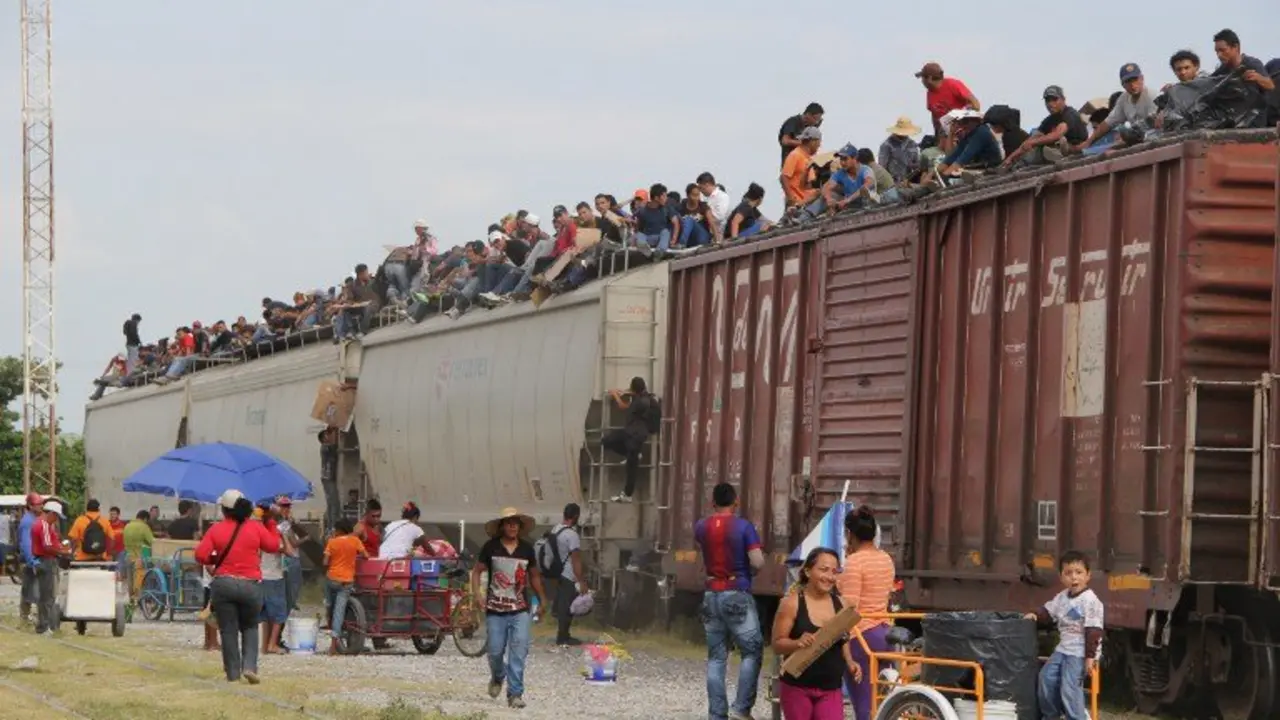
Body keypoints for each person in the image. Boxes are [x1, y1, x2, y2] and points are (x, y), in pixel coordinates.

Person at [194, 489, 282, 684]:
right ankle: (249, 667)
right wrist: (271, 522)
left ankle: (233, 674)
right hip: (251, 585)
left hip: (224, 584)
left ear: (224, 510)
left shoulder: (216, 529)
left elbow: (200, 555)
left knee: (228, 629)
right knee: (250, 626)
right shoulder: (256, 528)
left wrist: (214, 558)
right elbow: (273, 546)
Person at [696, 482, 765, 720]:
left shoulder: (701, 526)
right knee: (751, 652)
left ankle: (717, 714)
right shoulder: (744, 527)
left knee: (716, 657)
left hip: (710, 593)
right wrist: (749, 573)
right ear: (736, 501)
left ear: (712, 502)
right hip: (736, 592)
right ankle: (741, 709)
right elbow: (757, 562)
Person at [772, 547, 862, 720]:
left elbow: (843, 637)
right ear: (807, 571)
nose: (829, 577)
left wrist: (850, 662)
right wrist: (797, 642)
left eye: (835, 572)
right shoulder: (791, 603)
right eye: (823, 570)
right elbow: (777, 645)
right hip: (797, 687)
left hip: (831, 687)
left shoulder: (842, 604)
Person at [472, 507, 548, 710]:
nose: (512, 526)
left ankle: (515, 693)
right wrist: (478, 595)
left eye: (516, 523)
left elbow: (534, 576)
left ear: (520, 527)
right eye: (509, 522)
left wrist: (542, 599)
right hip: (495, 610)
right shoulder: (491, 548)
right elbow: (477, 572)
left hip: (520, 609)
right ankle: (498, 676)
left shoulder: (527, 549)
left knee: (519, 650)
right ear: (502, 526)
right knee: (495, 651)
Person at [1025, 550, 1104, 720]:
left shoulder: (1091, 601)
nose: (1074, 577)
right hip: (1063, 650)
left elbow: (1094, 631)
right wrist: (1035, 615)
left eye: (1079, 572)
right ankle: (1051, 716)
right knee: (1046, 679)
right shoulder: (1062, 598)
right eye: (1068, 573)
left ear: (1088, 575)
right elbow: (1048, 611)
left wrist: (1090, 657)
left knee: (1069, 688)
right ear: (1061, 577)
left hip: (1080, 653)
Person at [836, 506, 896, 720]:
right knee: (882, 703)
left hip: (861, 636)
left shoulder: (854, 562)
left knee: (864, 705)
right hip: (885, 634)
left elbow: (850, 607)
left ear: (850, 534)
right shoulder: (886, 558)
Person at [536, 502, 589, 647]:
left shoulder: (556, 529)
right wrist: (582, 581)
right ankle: (563, 637)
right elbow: (576, 560)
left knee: (563, 605)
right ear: (576, 516)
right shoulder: (572, 535)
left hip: (556, 572)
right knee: (567, 607)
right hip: (567, 574)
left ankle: (563, 634)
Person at [602, 376, 660, 503]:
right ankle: (632, 456)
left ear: (635, 390)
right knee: (610, 442)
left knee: (631, 467)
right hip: (634, 434)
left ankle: (627, 495)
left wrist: (615, 395)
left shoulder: (640, 402)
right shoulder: (646, 398)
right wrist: (622, 391)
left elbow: (623, 406)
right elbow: (633, 396)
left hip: (634, 436)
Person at [1075, 63, 1156, 153]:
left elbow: (1154, 124)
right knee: (1100, 151)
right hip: (1136, 140)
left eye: (1135, 79)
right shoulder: (1124, 99)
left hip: (1154, 138)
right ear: (1123, 85)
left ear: (1142, 78)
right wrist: (1088, 142)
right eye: (1128, 81)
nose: (1133, 84)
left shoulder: (1151, 96)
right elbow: (1107, 123)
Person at [1002, 86, 1088, 168]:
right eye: (1047, 100)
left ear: (1063, 99)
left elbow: (1057, 135)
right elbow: (1030, 140)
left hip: (1077, 151)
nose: (1050, 104)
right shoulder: (1049, 120)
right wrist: (1010, 158)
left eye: (1054, 99)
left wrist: (1034, 142)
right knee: (1035, 137)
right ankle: (1017, 163)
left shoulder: (1070, 114)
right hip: (1058, 153)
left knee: (1053, 142)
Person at [323, 517, 367, 652]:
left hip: (332, 579)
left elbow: (325, 562)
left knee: (330, 605)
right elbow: (366, 555)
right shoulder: (355, 541)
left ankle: (328, 616)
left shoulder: (332, 542)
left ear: (338, 530)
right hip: (347, 581)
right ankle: (333, 645)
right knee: (339, 611)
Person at [256, 502, 292, 656]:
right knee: (279, 612)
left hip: (259, 577)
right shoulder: (273, 533)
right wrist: (283, 534)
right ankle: (272, 644)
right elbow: (290, 551)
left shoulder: (257, 532)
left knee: (263, 613)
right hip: (274, 577)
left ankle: (263, 645)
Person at [31, 500, 70, 635]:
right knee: (48, 596)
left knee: (44, 596)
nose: (56, 520)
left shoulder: (40, 523)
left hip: (41, 560)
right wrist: (63, 552)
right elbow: (47, 546)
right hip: (46, 561)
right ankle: (45, 627)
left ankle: (44, 625)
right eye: (56, 516)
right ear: (52, 514)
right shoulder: (45, 525)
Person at [18, 494, 42, 625]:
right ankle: (26, 618)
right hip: (30, 561)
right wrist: (32, 562)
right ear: (31, 506)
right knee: (31, 590)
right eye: (38, 504)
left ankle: (25, 618)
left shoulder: (34, 519)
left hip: (32, 559)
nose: (40, 506)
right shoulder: (28, 521)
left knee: (29, 590)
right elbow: (26, 544)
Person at [778, 102, 825, 168]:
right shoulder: (793, 122)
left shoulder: (812, 126)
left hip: (805, 161)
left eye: (819, 120)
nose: (816, 122)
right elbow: (785, 141)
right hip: (790, 161)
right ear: (808, 115)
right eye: (815, 119)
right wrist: (804, 143)